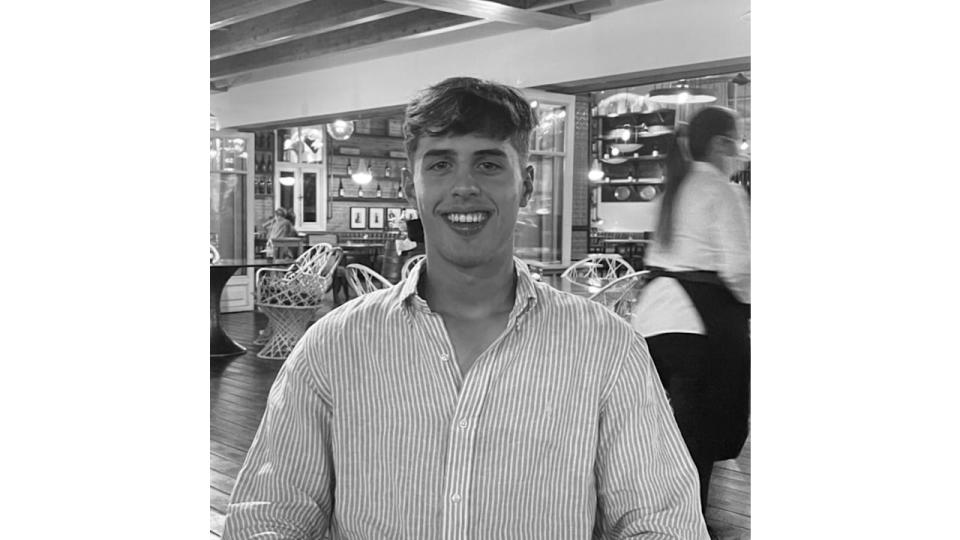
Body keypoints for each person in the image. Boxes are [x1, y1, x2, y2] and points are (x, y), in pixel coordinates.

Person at [224, 77, 708, 539]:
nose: (463, 187)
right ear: (413, 186)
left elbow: (661, 518)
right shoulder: (335, 346)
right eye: (439, 164)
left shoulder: (604, 346)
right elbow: (272, 513)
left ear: (528, 184)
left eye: (488, 163)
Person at [630, 106, 751, 525]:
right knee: (698, 435)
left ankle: (649, 517)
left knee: (660, 432)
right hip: (700, 323)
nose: (738, 150)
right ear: (720, 143)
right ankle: (687, 523)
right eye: (736, 141)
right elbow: (739, 266)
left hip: (654, 319)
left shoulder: (672, 188)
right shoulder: (721, 188)